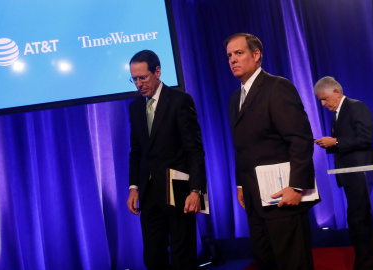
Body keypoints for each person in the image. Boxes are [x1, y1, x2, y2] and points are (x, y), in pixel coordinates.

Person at [225, 33, 318, 270]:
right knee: (266, 261)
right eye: (229, 56)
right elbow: (241, 146)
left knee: (292, 263)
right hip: (255, 201)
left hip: (283, 197)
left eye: (239, 53)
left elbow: (300, 139)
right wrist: (240, 185)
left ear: (256, 55)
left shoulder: (277, 87)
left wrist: (297, 186)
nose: (233, 60)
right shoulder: (235, 98)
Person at [126, 50, 207, 270]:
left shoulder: (180, 100)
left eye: (143, 77)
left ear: (158, 71)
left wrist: (196, 190)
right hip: (149, 193)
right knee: (153, 257)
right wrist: (134, 187)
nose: (139, 84)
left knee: (183, 256)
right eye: (134, 79)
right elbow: (137, 151)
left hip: (178, 189)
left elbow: (194, 150)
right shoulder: (135, 107)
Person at [314, 76, 373, 270]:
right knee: (361, 219)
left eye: (325, 99)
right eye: (320, 100)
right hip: (350, 174)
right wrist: (328, 143)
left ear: (336, 93)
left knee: (357, 219)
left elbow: (365, 138)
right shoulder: (337, 113)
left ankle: (365, 264)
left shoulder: (355, 107)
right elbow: (346, 140)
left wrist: (335, 141)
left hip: (361, 172)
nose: (323, 103)